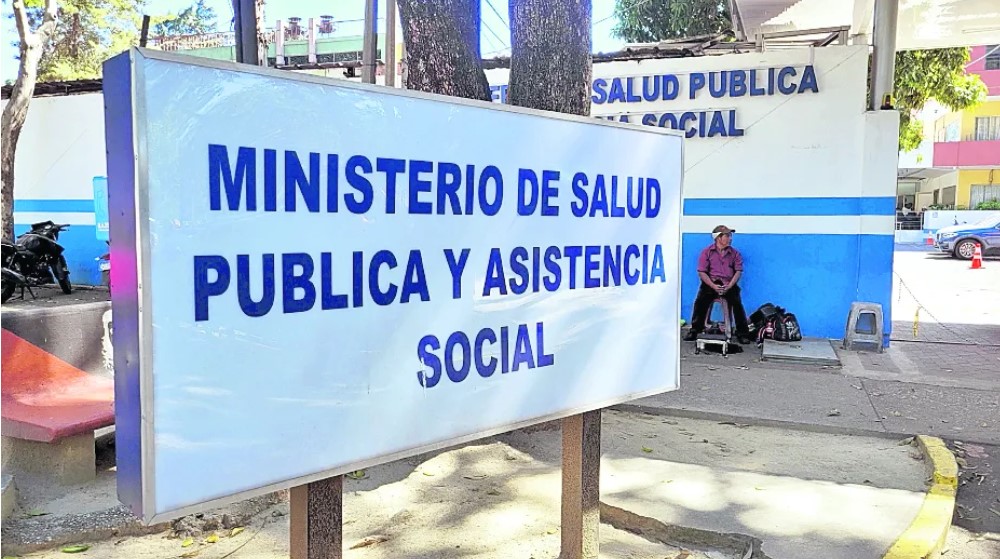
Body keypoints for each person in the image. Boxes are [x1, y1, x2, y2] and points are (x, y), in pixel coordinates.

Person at [684, 225, 752, 344]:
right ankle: (695, 330)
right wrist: (713, 286)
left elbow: (738, 271)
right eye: (727, 236)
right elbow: (702, 272)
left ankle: (742, 333)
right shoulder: (706, 252)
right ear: (718, 238)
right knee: (700, 301)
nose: (730, 238)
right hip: (711, 283)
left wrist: (729, 286)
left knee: (737, 303)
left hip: (729, 283)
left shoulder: (735, 254)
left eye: (730, 236)